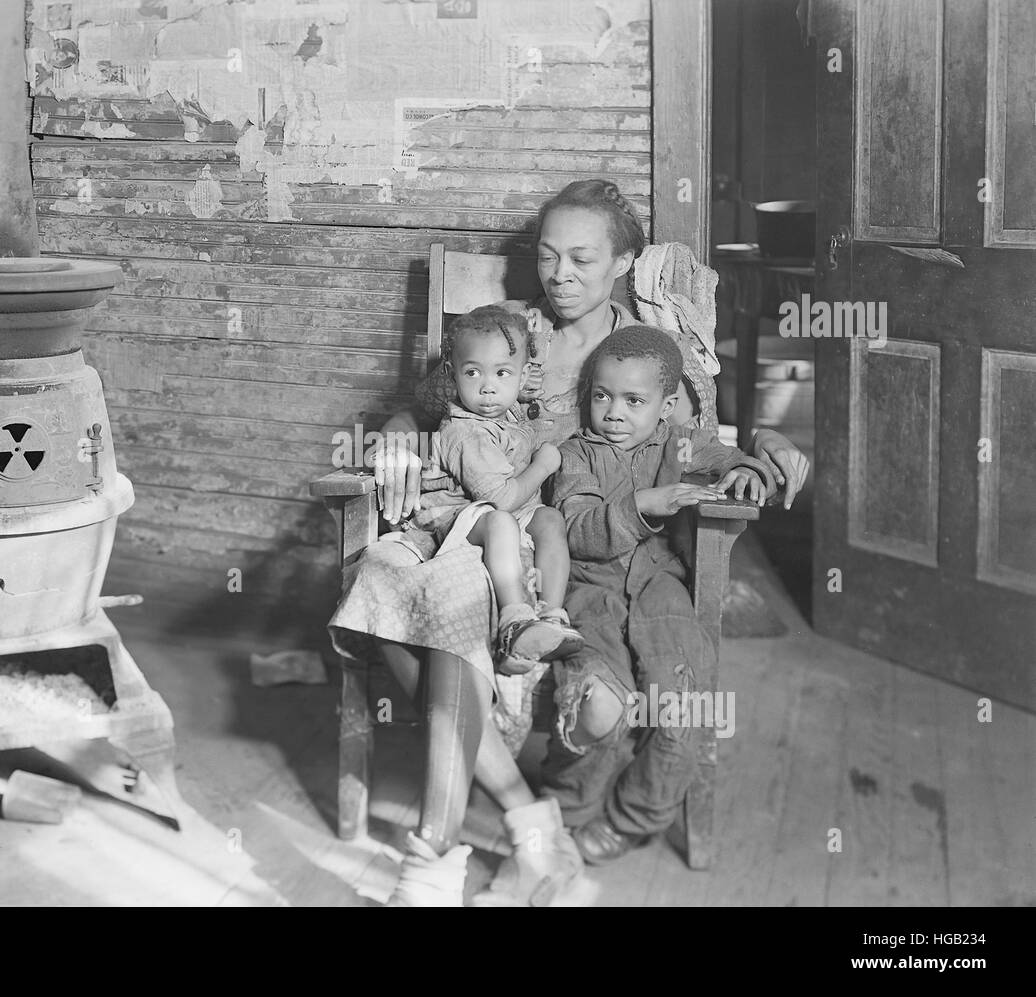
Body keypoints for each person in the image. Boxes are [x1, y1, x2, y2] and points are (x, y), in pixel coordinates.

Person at [328, 178, 811, 907]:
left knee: (454, 614)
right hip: (485, 529)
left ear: (622, 263)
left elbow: (699, 445)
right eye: (549, 256)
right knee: (388, 585)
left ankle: (463, 851)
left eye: (582, 259)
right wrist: (396, 442)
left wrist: (768, 438)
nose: (560, 275)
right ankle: (528, 829)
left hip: (565, 554)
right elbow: (421, 406)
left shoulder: (643, 350)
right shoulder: (511, 334)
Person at [548, 325, 776, 860]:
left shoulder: (680, 442)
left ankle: (636, 817)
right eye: (601, 396)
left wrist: (746, 470)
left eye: (634, 400)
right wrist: (643, 504)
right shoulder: (576, 454)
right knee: (598, 699)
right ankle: (568, 808)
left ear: (668, 405)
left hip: (660, 588)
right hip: (590, 593)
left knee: (683, 697)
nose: (613, 413)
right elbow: (576, 527)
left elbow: (721, 455)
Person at [408, 304, 583, 673]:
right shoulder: (463, 432)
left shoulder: (507, 411)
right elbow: (501, 499)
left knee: (550, 519)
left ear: (522, 381)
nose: (488, 387)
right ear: (453, 378)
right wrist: (543, 465)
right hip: (455, 517)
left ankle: (550, 617)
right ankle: (514, 620)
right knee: (501, 522)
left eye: (502, 373)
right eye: (473, 373)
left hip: (502, 510)